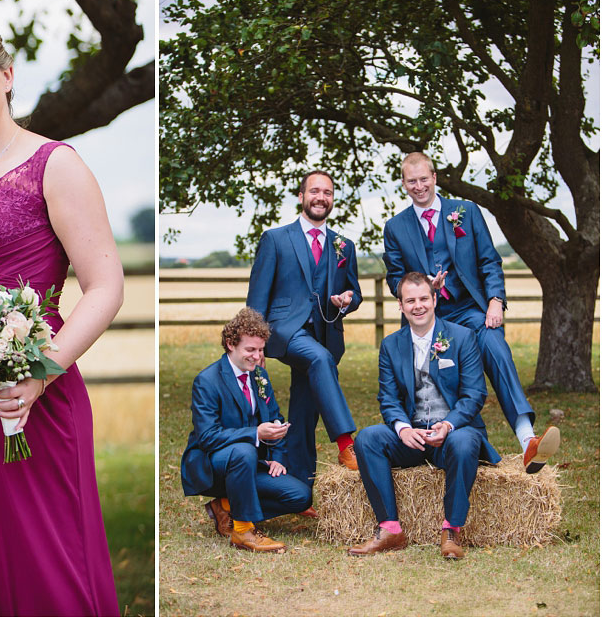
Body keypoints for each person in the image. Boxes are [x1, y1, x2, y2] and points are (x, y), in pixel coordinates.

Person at [0, 13, 123, 616]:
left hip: (36, 391)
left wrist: (40, 374)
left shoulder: (55, 164)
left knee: (49, 560)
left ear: (8, 75)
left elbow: (106, 287)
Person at [382, 150, 559, 470]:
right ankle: (463, 446)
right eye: (412, 181)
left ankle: (527, 439)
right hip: (429, 317)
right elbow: (395, 277)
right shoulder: (395, 227)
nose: (419, 186)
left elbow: (489, 260)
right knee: (439, 376)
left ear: (434, 177)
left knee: (494, 344)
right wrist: (421, 285)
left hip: (469, 308)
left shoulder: (466, 211)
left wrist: (495, 301)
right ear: (404, 185)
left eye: (424, 179)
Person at [350, 272, 501, 560]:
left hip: (452, 433)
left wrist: (448, 424)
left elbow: (474, 394)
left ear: (434, 299)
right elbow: (389, 398)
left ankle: (451, 530)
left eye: (423, 299)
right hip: (412, 436)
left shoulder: (462, 337)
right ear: (401, 305)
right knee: (368, 438)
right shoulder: (391, 345)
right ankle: (390, 528)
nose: (417, 306)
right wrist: (403, 428)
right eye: (410, 300)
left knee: (466, 441)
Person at [245, 170, 361, 484]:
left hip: (326, 333)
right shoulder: (275, 238)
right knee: (320, 360)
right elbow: (257, 296)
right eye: (314, 191)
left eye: (327, 192)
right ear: (301, 196)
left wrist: (347, 300)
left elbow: (355, 292)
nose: (321, 197)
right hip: (285, 330)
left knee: (303, 412)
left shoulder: (344, 246)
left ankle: (298, 489)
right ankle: (345, 443)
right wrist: (254, 345)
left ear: (333, 199)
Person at [180, 307, 312, 553]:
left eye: (260, 350)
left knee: (301, 496)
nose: (256, 356)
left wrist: (277, 458)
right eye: (250, 350)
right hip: (212, 463)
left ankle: (225, 506)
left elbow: (275, 417)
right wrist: (255, 435)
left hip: (250, 463)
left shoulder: (260, 375)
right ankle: (243, 530)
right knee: (244, 451)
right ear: (230, 344)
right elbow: (207, 437)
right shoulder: (207, 381)